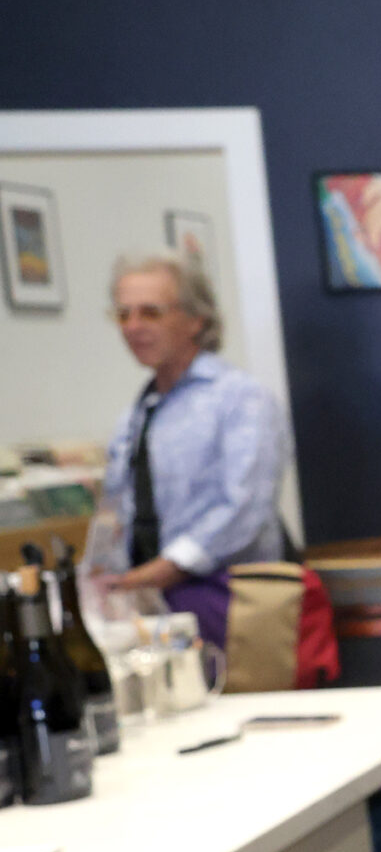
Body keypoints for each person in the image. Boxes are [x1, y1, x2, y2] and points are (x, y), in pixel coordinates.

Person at [100, 253, 289, 596]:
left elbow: (245, 510)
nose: (132, 327)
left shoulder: (241, 399)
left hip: (229, 600)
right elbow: (120, 512)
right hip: (149, 598)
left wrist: (161, 571)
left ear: (195, 320)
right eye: (123, 314)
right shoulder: (137, 414)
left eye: (150, 312)